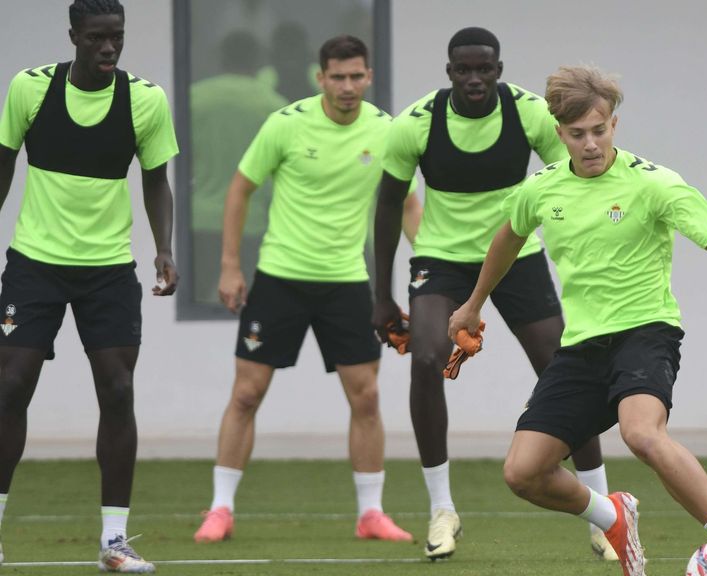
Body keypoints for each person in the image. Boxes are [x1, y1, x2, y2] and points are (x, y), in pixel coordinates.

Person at [448, 65, 707, 576]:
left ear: (614, 126)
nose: (590, 144)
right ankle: (611, 515)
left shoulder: (654, 184)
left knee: (641, 434)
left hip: (646, 332)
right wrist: (473, 305)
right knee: (522, 472)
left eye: (599, 130)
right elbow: (508, 239)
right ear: (559, 134)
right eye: (577, 134)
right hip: (581, 346)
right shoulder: (541, 189)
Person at [373, 27, 614, 561]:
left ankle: (604, 509)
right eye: (464, 69)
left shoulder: (529, 113)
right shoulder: (414, 123)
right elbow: (388, 206)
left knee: (565, 367)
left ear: (499, 70)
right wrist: (380, 295)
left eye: (485, 69)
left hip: (517, 257)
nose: (475, 78)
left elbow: (574, 177)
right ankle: (442, 509)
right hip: (440, 260)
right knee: (427, 358)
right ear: (450, 73)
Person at [192, 35, 421, 545]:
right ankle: (220, 509)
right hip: (280, 279)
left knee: (366, 398)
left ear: (369, 77)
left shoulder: (387, 132)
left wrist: (430, 273)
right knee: (247, 394)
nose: (347, 86)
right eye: (337, 77)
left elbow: (405, 204)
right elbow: (240, 188)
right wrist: (230, 266)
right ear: (320, 78)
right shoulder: (286, 123)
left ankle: (371, 515)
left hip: (347, 284)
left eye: (356, 76)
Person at [0, 0, 177, 572]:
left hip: (107, 270)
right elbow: (3, 168)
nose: (109, 49)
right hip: (34, 263)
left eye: (117, 38)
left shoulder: (145, 101)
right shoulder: (28, 90)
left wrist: (165, 250)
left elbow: (157, 183)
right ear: (74, 35)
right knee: (10, 385)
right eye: (97, 38)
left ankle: (114, 542)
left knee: (119, 391)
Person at [190, 30, 287, 305]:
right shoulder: (274, 105)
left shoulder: (194, 98)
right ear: (258, 60)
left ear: (221, 57)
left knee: (197, 305)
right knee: (250, 308)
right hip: (251, 223)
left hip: (201, 218)